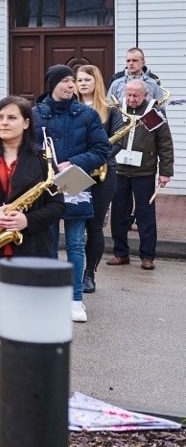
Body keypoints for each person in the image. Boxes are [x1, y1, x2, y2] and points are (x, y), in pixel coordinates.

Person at [0, 96, 65, 395]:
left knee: (26, 322)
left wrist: (26, 221)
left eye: (12, 118)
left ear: (27, 123)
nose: (4, 123)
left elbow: (58, 207)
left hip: (29, 251)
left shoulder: (44, 161)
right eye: (0, 118)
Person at [32, 64, 109, 323]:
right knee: (50, 243)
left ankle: (76, 299)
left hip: (75, 184)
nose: (70, 85)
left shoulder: (86, 115)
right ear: (52, 84)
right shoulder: (34, 115)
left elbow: (102, 150)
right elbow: (25, 150)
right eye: (65, 81)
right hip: (46, 187)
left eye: (71, 81)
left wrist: (73, 161)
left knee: (76, 243)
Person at [107, 80, 174, 271]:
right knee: (118, 213)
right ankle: (120, 253)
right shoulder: (118, 112)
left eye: (136, 95)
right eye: (128, 94)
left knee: (145, 214)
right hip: (119, 170)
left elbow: (165, 144)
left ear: (145, 95)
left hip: (144, 172)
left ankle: (147, 256)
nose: (131, 98)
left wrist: (166, 172)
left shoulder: (152, 114)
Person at [76, 64, 124, 292]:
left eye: (87, 79)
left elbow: (119, 140)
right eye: (79, 80)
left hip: (103, 174)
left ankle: (89, 274)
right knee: (74, 223)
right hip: (76, 172)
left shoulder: (111, 109)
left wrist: (97, 160)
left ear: (97, 82)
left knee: (94, 227)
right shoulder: (71, 108)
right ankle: (73, 271)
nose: (82, 83)